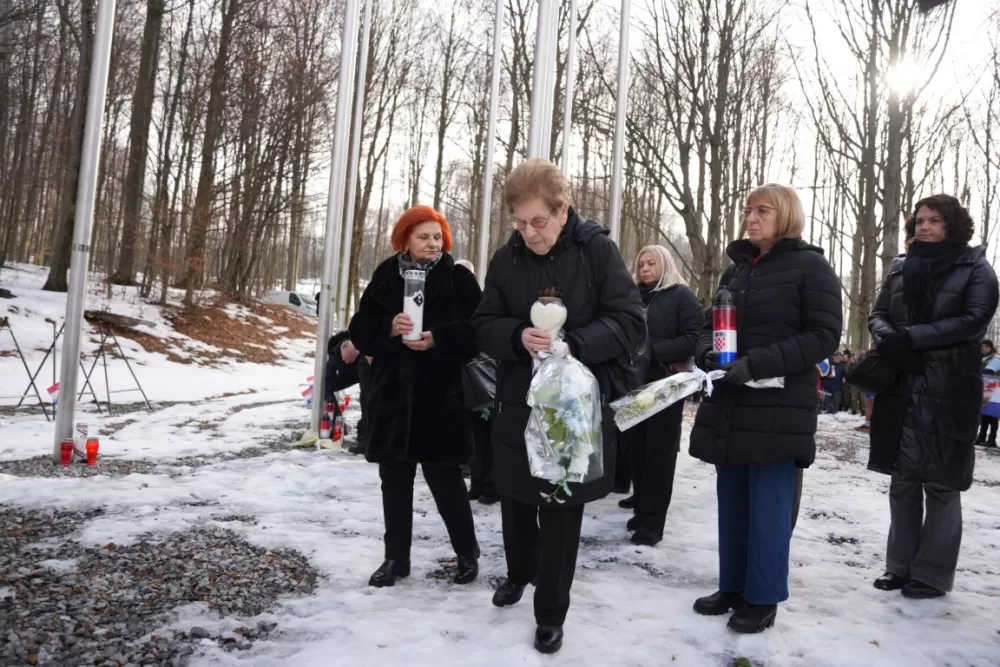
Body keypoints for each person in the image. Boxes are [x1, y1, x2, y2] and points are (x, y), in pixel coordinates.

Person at [472, 158, 644, 654]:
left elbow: (631, 321)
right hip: (519, 399)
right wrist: (513, 335)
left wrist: (577, 344)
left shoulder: (596, 252)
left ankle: (551, 610)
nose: (529, 233)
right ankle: (519, 572)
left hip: (572, 408)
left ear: (562, 209)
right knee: (518, 495)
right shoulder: (508, 259)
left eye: (538, 222)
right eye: (520, 224)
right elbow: (483, 322)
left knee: (561, 506)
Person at [689, 183, 842, 633]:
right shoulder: (735, 272)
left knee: (770, 507)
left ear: (786, 215)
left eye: (762, 211)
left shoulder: (810, 266)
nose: (750, 218)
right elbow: (708, 325)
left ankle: (763, 596)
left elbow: (823, 335)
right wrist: (707, 354)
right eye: (747, 211)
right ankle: (733, 586)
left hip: (779, 406)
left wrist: (757, 363)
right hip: (732, 404)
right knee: (732, 501)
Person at [869, 194, 999, 599]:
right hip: (902, 383)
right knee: (903, 479)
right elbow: (877, 314)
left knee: (942, 483)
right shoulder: (900, 268)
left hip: (950, 388)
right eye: (919, 220)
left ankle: (932, 575)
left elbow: (974, 319)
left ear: (953, 225)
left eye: (935, 220)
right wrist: (892, 342)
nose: (924, 227)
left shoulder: (976, 268)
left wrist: (913, 338)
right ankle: (900, 567)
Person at [348, 205, 482, 589]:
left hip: (439, 399)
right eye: (423, 236)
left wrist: (439, 339)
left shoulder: (457, 278)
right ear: (405, 239)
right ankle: (396, 558)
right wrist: (387, 327)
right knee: (394, 480)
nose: (432, 243)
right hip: (391, 396)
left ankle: (466, 552)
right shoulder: (387, 275)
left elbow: (477, 330)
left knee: (445, 480)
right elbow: (360, 327)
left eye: (437, 236)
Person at [620, 245, 701, 546]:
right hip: (633, 383)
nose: (644, 269)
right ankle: (642, 506)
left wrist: (651, 351)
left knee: (659, 454)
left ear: (664, 264)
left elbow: (694, 338)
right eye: (641, 264)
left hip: (665, 383)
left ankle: (653, 524)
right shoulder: (632, 296)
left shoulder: (681, 295)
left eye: (651, 263)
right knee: (636, 449)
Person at [323, 331, 360, 418]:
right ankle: (336, 417)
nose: (348, 362)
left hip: (363, 372)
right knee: (325, 388)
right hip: (347, 376)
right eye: (346, 361)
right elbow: (328, 379)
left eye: (351, 361)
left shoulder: (362, 348)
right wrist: (329, 398)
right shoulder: (334, 359)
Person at [978, 339, 998, 447]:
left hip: (993, 389)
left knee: (992, 415)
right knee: (984, 413)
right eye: (982, 346)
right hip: (984, 388)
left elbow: (988, 372)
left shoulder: (995, 358)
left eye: (986, 346)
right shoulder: (981, 358)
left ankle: (992, 438)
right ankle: (982, 436)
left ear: (991, 347)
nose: (983, 348)